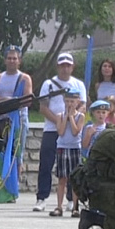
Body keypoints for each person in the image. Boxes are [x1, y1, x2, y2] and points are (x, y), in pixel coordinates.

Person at [35, 52, 86, 211]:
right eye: (62, 65)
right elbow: (43, 107)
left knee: (72, 166)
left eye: (68, 65)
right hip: (52, 129)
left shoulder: (78, 84)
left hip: (71, 130)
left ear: (72, 67)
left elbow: (83, 105)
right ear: (58, 66)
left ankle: (71, 199)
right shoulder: (48, 84)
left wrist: (71, 119)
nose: (65, 68)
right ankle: (42, 197)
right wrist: (59, 121)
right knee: (46, 163)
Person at [51, 90, 84, 218]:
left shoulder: (80, 116)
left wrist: (71, 116)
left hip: (75, 148)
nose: (70, 104)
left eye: (72, 101)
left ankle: (75, 207)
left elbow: (76, 131)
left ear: (77, 102)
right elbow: (60, 131)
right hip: (62, 148)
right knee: (62, 179)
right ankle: (59, 206)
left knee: (75, 179)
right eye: (68, 101)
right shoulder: (60, 115)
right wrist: (66, 117)